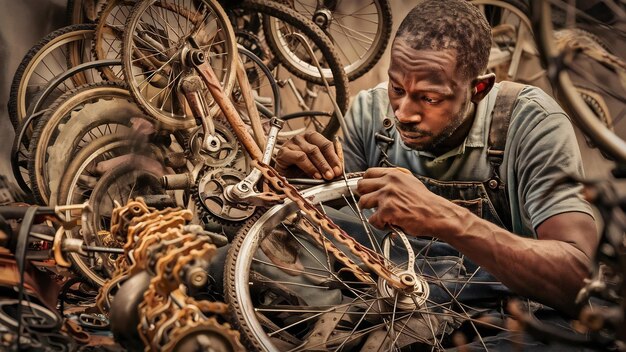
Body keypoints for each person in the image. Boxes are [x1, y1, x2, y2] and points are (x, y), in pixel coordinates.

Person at [274, 0, 598, 346]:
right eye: (397, 88)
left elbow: (576, 281)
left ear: (478, 89)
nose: (404, 112)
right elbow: (336, 233)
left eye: (429, 98)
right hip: (392, 295)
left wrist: (445, 218)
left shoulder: (530, 124)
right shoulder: (371, 112)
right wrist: (290, 184)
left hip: (498, 314)